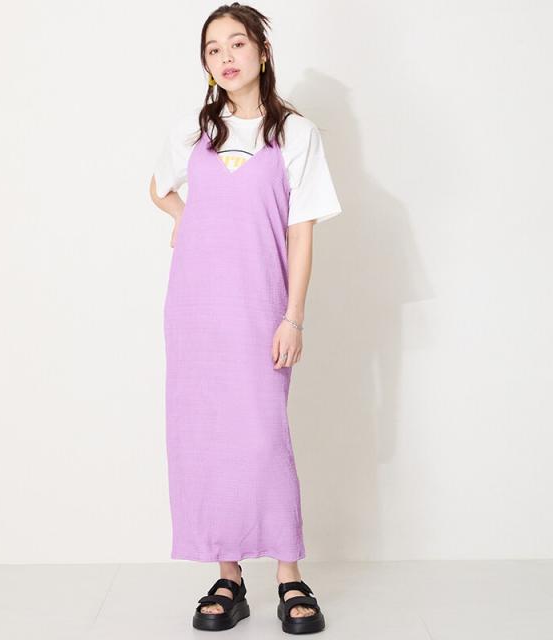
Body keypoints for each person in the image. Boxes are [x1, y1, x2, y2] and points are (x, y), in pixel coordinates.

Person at [149, 3, 341, 634]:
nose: (226, 57)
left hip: (260, 304)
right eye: (213, 49)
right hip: (195, 306)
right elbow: (158, 186)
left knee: (262, 435)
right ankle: (227, 577)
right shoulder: (194, 131)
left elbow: (301, 232)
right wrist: (185, 217)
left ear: (262, 51)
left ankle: (290, 575)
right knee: (205, 434)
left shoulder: (296, 134)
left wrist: (294, 317)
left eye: (237, 43)